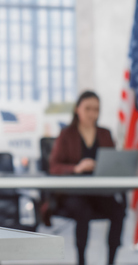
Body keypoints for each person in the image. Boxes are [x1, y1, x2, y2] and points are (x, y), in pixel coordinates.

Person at [49, 91, 126, 265]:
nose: (92, 114)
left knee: (118, 210)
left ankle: (111, 260)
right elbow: (54, 167)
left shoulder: (105, 134)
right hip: (73, 194)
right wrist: (77, 168)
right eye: (88, 109)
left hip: (99, 193)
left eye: (96, 109)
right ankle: (81, 261)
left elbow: (114, 163)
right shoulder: (66, 134)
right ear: (78, 109)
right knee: (82, 210)